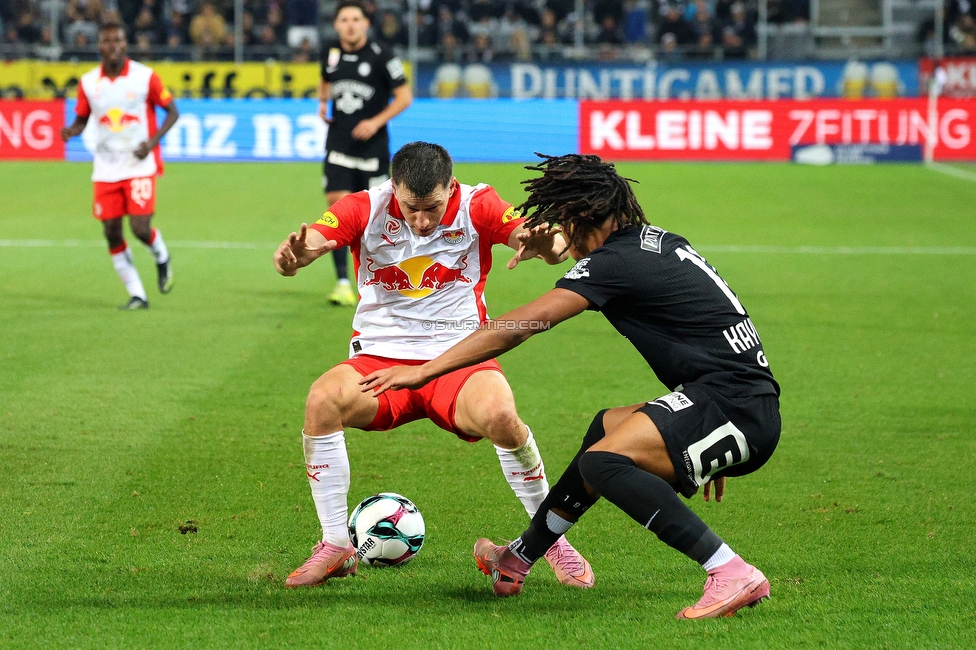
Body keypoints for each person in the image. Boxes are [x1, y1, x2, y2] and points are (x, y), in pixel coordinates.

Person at [360, 153, 782, 619]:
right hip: (730, 403)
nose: (564, 236)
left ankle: (730, 571)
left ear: (583, 217)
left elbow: (522, 324)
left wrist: (424, 370)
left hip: (733, 409)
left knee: (604, 463)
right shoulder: (651, 242)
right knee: (604, 430)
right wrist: (697, 431)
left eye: (564, 221)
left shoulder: (614, 262)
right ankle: (518, 558)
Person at [272, 142, 593, 590]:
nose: (421, 221)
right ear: (394, 189)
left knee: (502, 418)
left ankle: (549, 540)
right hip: (380, 360)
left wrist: (551, 246)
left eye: (432, 208)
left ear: (451, 187)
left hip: (458, 360)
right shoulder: (363, 206)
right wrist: (296, 257)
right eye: (410, 208)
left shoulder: (479, 203)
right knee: (322, 400)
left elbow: (539, 238)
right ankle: (336, 545)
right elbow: (314, 239)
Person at [61, 21, 179, 310]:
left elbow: (172, 112)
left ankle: (161, 254)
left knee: (140, 228)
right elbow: (82, 118)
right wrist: (71, 131)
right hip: (105, 168)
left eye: (118, 40)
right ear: (99, 45)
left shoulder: (145, 77)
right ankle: (137, 294)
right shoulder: (89, 82)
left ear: (125, 44)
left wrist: (151, 143)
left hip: (138, 164)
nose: (112, 46)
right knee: (111, 231)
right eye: (107, 41)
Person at [319, 0, 413, 307]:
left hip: (372, 148)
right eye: (344, 19)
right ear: (336, 25)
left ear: (365, 24)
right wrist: (322, 103)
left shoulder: (382, 56)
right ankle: (343, 281)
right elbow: (325, 79)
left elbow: (404, 97)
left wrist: (374, 122)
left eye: (355, 18)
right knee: (338, 206)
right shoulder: (331, 53)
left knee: (375, 215)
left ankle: (381, 278)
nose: (350, 24)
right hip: (339, 144)